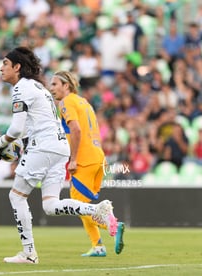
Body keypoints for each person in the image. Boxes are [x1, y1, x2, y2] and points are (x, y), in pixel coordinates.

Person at [0, 46, 119, 264]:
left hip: (43, 147)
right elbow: (32, 126)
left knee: (16, 196)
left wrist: (1, 142)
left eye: (5, 63)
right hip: (60, 149)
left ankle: (29, 253)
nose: (1, 68)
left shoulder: (21, 88)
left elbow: (16, 129)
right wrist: (19, 146)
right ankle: (96, 209)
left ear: (17, 67)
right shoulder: (39, 88)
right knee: (51, 205)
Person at [49, 70, 125, 257]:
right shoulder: (84, 102)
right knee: (84, 205)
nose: (51, 89)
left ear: (66, 86)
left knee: (78, 206)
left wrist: (73, 159)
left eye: (55, 84)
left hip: (84, 160)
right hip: (98, 158)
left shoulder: (66, 102)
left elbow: (75, 130)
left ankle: (110, 222)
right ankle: (98, 246)